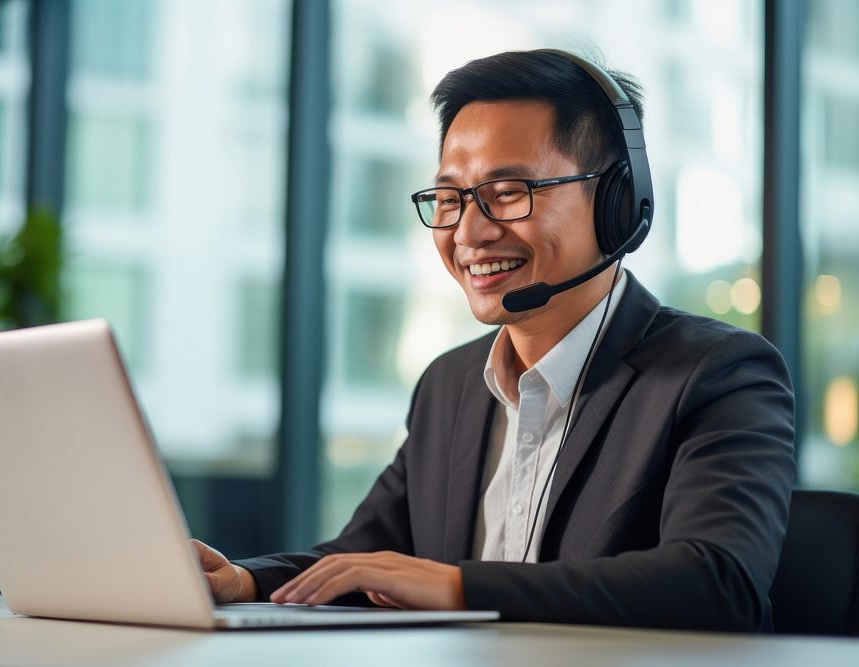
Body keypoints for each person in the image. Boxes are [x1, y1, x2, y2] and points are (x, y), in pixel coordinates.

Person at [192, 49, 796, 632]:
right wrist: (244, 582)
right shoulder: (450, 385)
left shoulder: (718, 373)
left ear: (616, 201)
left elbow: (719, 584)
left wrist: (458, 587)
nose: (469, 232)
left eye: (508, 193)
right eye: (450, 198)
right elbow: (364, 558)